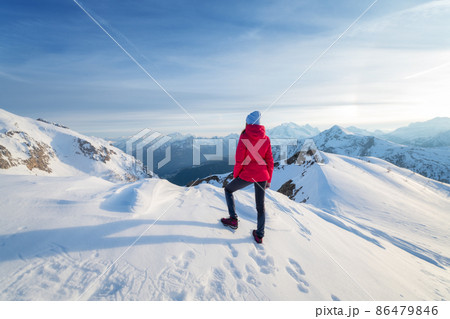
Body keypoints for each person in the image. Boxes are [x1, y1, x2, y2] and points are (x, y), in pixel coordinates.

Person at [221, 110, 274, 244]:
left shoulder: (244, 137)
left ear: (247, 123)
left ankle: (233, 219)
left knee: (228, 190)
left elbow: (239, 159)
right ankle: (259, 235)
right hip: (262, 175)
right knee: (260, 206)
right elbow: (270, 160)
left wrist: (236, 175)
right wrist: (268, 179)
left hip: (248, 174)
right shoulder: (266, 139)